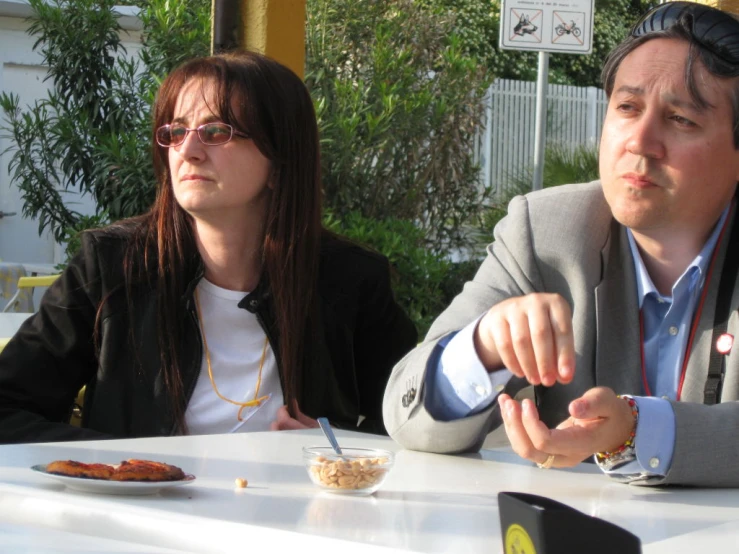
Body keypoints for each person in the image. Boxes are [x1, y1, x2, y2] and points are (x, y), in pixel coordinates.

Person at [383, 1, 739, 487]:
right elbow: (406, 415)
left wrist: (639, 432)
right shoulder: (548, 232)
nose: (640, 141)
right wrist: (484, 346)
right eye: (626, 108)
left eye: (681, 119)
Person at [0, 50, 417, 444]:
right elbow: (7, 406)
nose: (188, 150)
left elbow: (416, 419)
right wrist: (123, 467)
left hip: (291, 517)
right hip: (136, 515)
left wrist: (332, 447)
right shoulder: (113, 267)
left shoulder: (349, 281)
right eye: (176, 131)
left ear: (280, 161)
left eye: (217, 131)